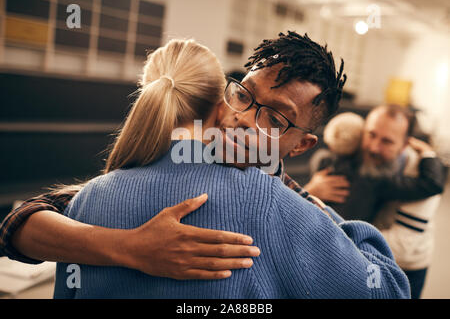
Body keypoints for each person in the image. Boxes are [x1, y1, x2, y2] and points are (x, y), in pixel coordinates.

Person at [1, 32, 409, 298]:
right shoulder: (279, 204)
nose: (246, 117)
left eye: (275, 117)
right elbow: (388, 289)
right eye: (244, 95)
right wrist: (130, 248)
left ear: (301, 145)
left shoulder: (96, 193)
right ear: (219, 99)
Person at [305, 105, 447, 298]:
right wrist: (309, 191)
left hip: (405, 263)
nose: (373, 147)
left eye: (387, 141)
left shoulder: (397, 175)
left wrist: (430, 155)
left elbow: (432, 184)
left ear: (405, 145)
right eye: (371, 134)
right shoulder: (351, 159)